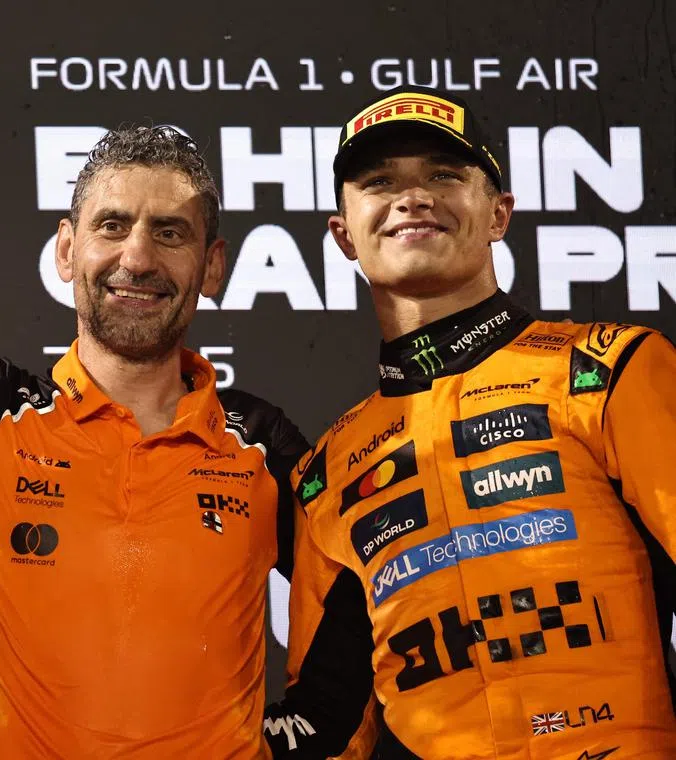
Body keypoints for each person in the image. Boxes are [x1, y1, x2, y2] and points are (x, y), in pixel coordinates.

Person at [0, 123, 322, 758]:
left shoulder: (262, 445)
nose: (137, 258)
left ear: (212, 266)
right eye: (112, 226)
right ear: (65, 250)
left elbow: (359, 615)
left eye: (170, 232)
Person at [263, 85, 676, 759]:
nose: (413, 196)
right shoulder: (327, 473)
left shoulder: (609, 370)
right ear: (343, 234)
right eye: (379, 182)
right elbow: (324, 724)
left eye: (444, 175)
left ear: (497, 213)